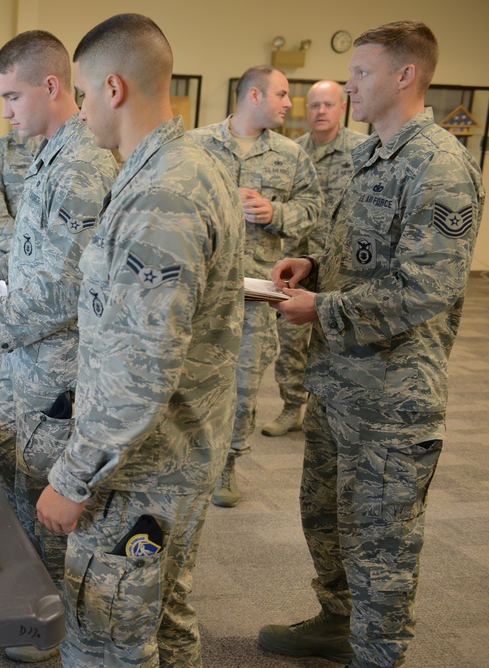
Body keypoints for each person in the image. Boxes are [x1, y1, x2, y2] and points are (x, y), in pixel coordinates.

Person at [259, 21, 484, 667]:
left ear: (405, 75)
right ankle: (338, 623)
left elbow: (425, 287)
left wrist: (322, 308)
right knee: (326, 521)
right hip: (339, 383)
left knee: (382, 542)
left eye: (361, 73)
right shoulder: (369, 154)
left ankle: (378, 654)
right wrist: (310, 264)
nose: (348, 86)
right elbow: (357, 253)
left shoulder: (440, 165)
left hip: (393, 398)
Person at [35, 14, 244, 667]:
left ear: (115, 89)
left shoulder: (164, 192)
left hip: (142, 467)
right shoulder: (180, 166)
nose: (82, 110)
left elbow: (141, 365)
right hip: (177, 449)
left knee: (105, 636)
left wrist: (71, 478)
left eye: (86, 94)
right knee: (166, 615)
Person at [0, 29, 118, 663]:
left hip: (54, 370)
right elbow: (43, 263)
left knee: (45, 498)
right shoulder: (48, 153)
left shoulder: (82, 163)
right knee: (13, 484)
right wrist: (2, 275)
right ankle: (26, 609)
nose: (6, 111)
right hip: (24, 367)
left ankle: (48, 626)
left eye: (13, 95)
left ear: (51, 85)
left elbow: (66, 290)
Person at [188, 65, 322, 507]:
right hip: (199, 295)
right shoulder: (196, 145)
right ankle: (186, 461)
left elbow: (313, 209)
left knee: (243, 385)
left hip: (256, 296)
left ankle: (227, 465)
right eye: (282, 94)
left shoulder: (291, 154)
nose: (289, 104)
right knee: (189, 380)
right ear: (253, 95)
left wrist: (275, 214)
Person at [262, 81, 367, 438]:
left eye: (328, 105)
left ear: (342, 108)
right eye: (313, 105)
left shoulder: (362, 151)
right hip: (297, 261)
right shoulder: (293, 153)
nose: (320, 111)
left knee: (336, 338)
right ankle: (292, 407)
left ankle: (331, 411)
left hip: (339, 266)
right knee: (289, 341)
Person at [0, 128, 39, 508]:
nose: (6, 111)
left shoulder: (83, 150)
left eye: (13, 97)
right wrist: (37, 248)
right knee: (2, 374)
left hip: (50, 286)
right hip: (7, 278)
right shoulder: (1, 151)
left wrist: (43, 250)